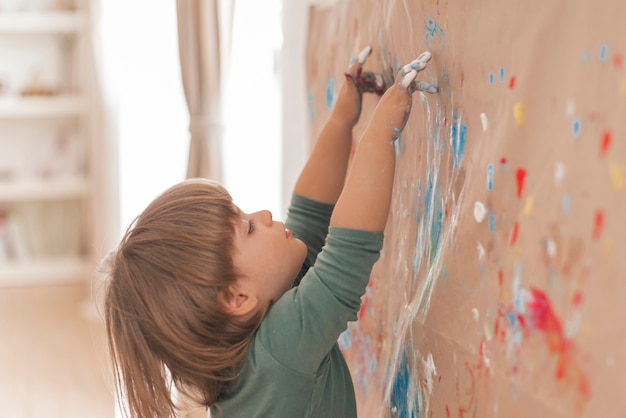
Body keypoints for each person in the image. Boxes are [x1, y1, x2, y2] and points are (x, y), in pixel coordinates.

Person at [102, 46, 435, 418]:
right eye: (248, 227)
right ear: (237, 298)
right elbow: (346, 254)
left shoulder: (253, 345)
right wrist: (379, 135)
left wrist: (342, 122)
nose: (263, 214)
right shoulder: (281, 350)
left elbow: (309, 214)